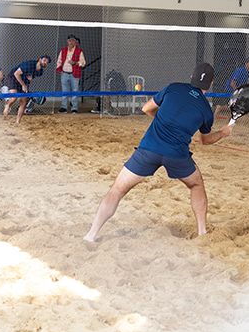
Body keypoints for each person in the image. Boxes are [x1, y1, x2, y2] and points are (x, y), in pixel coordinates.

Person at [84, 63, 235, 242]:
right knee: (196, 185)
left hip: (149, 149)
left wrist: (165, 120)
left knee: (117, 189)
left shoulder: (173, 87)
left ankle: (91, 235)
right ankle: (202, 232)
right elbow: (205, 140)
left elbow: (146, 108)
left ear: (191, 77)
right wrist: (223, 133)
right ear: (210, 83)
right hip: (177, 155)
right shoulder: (206, 110)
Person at [3, 55, 51, 123]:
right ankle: (8, 105)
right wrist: (23, 85)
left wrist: (29, 78)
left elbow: (30, 76)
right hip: (14, 77)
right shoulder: (29, 64)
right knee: (13, 98)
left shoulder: (40, 72)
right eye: (44, 60)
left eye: (47, 62)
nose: (45, 62)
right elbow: (16, 73)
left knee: (23, 102)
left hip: (24, 80)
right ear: (40, 59)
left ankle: (18, 122)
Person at [56, 34, 86, 114]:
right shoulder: (63, 50)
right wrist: (60, 70)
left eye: (73, 40)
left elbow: (83, 63)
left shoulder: (79, 51)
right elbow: (59, 61)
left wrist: (75, 63)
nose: (71, 42)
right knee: (64, 91)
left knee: (75, 91)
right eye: (70, 40)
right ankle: (64, 107)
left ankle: (74, 108)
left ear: (76, 42)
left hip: (74, 74)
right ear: (67, 41)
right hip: (64, 73)